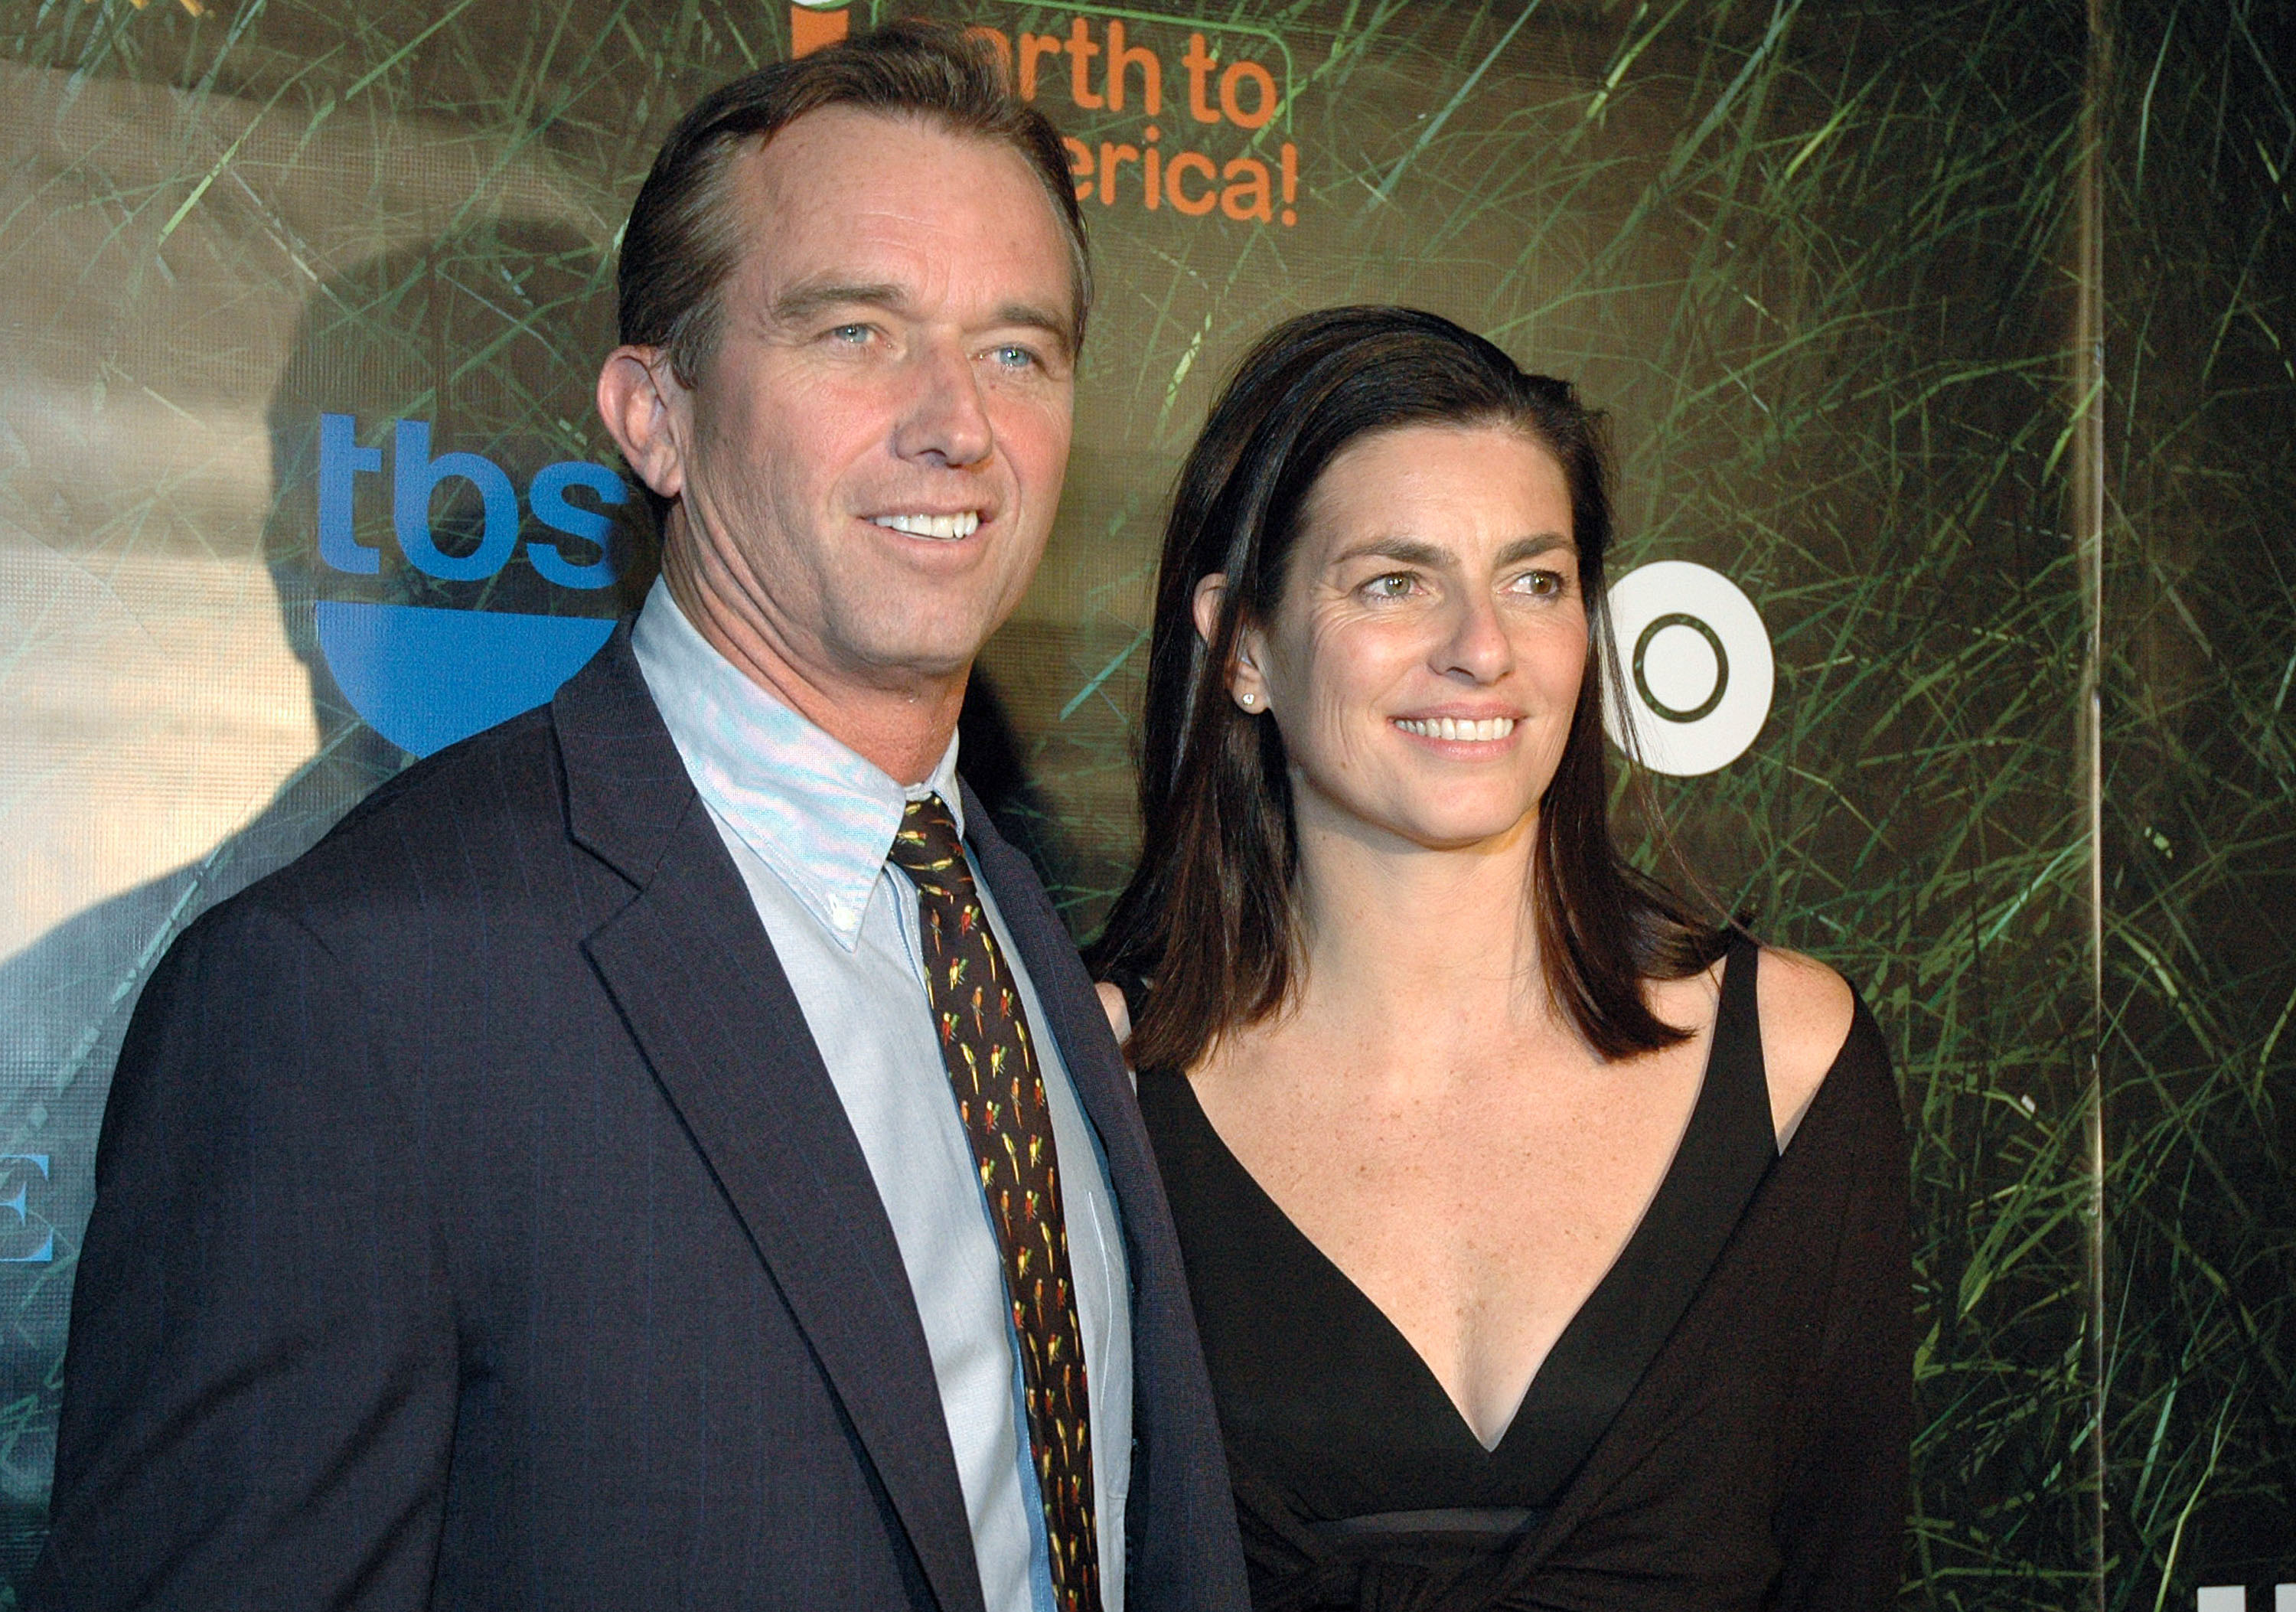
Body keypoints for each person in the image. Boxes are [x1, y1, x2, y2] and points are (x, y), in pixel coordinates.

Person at [32, 24, 1249, 1612]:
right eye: (855, 334)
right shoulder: (351, 995)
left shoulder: (1016, 921)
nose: (958, 420)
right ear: (654, 417)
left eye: (1017, 349)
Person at [1090, 307, 1910, 1610]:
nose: (1483, 646)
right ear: (1243, 645)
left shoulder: (1795, 1066)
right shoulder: (1089, 1088)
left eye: (1535, 579)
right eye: (1394, 580)